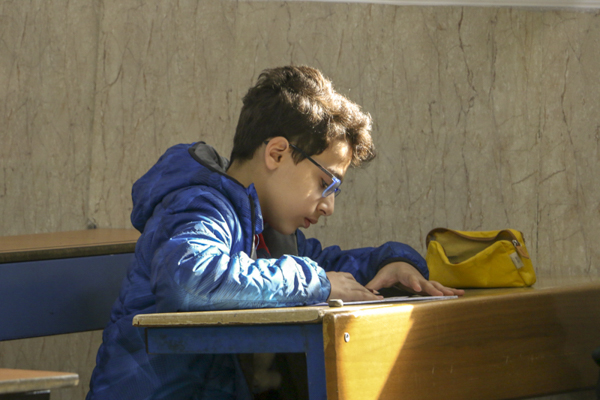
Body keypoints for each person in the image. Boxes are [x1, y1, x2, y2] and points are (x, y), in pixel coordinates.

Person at [86, 65, 463, 400]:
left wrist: (391, 262)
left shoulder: (266, 231)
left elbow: (331, 268)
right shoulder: (200, 205)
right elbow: (190, 280)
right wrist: (315, 282)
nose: (329, 206)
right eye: (325, 183)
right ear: (277, 154)